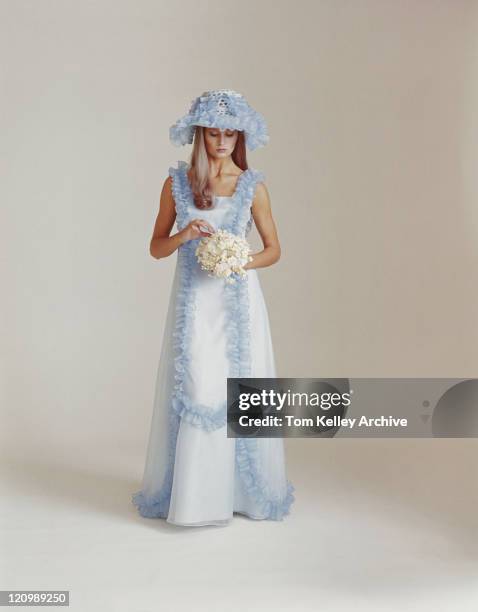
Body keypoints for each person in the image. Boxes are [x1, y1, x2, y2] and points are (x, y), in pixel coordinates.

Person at [132, 89, 295, 527]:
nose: (220, 142)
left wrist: (241, 258)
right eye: (212, 133)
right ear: (199, 135)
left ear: (239, 136)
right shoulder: (177, 185)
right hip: (194, 305)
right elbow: (155, 248)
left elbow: (274, 249)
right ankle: (195, 498)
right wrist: (185, 236)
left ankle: (241, 494)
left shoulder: (252, 186)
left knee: (237, 390)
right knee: (199, 389)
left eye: (228, 133)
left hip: (238, 306)